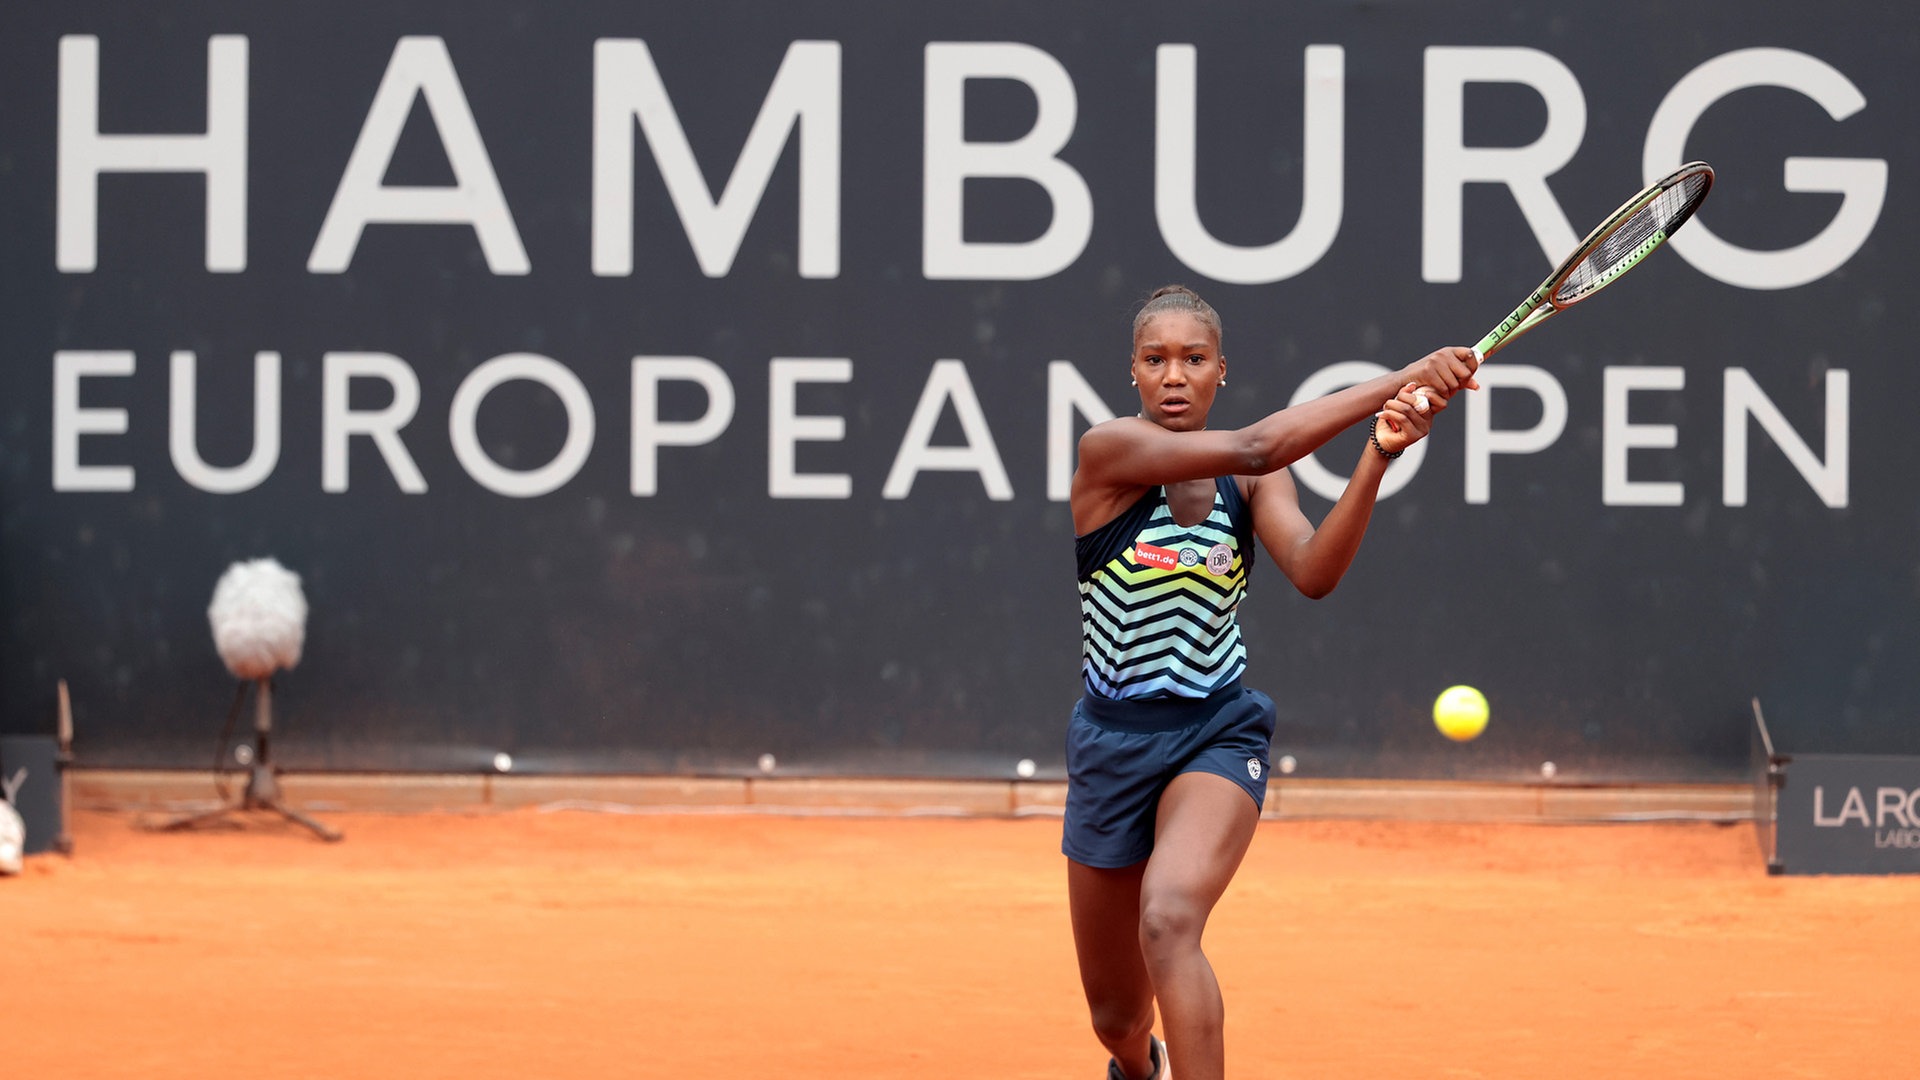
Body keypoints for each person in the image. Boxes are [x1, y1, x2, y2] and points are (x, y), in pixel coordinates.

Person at [1065, 284, 1479, 1080]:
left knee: (1170, 919)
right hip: (1111, 746)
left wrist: (1379, 454)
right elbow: (1259, 445)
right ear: (1133, 375)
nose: (1175, 376)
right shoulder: (1109, 453)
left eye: (1194, 359)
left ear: (1222, 370)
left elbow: (1315, 572)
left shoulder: (1252, 487)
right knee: (1115, 1016)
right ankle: (1139, 1067)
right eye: (1156, 361)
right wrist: (1404, 376)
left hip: (1215, 735)